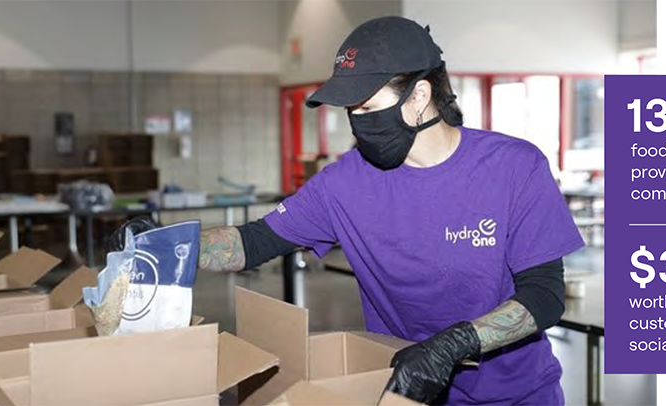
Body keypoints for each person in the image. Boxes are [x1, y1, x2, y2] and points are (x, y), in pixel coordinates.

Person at [131, 16, 583, 406]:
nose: (358, 121)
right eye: (351, 110)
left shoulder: (514, 168)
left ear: (420, 96)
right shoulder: (343, 184)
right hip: (404, 394)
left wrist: (455, 343)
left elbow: (543, 296)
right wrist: (162, 245)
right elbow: (251, 243)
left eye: (368, 106)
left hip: (518, 395)